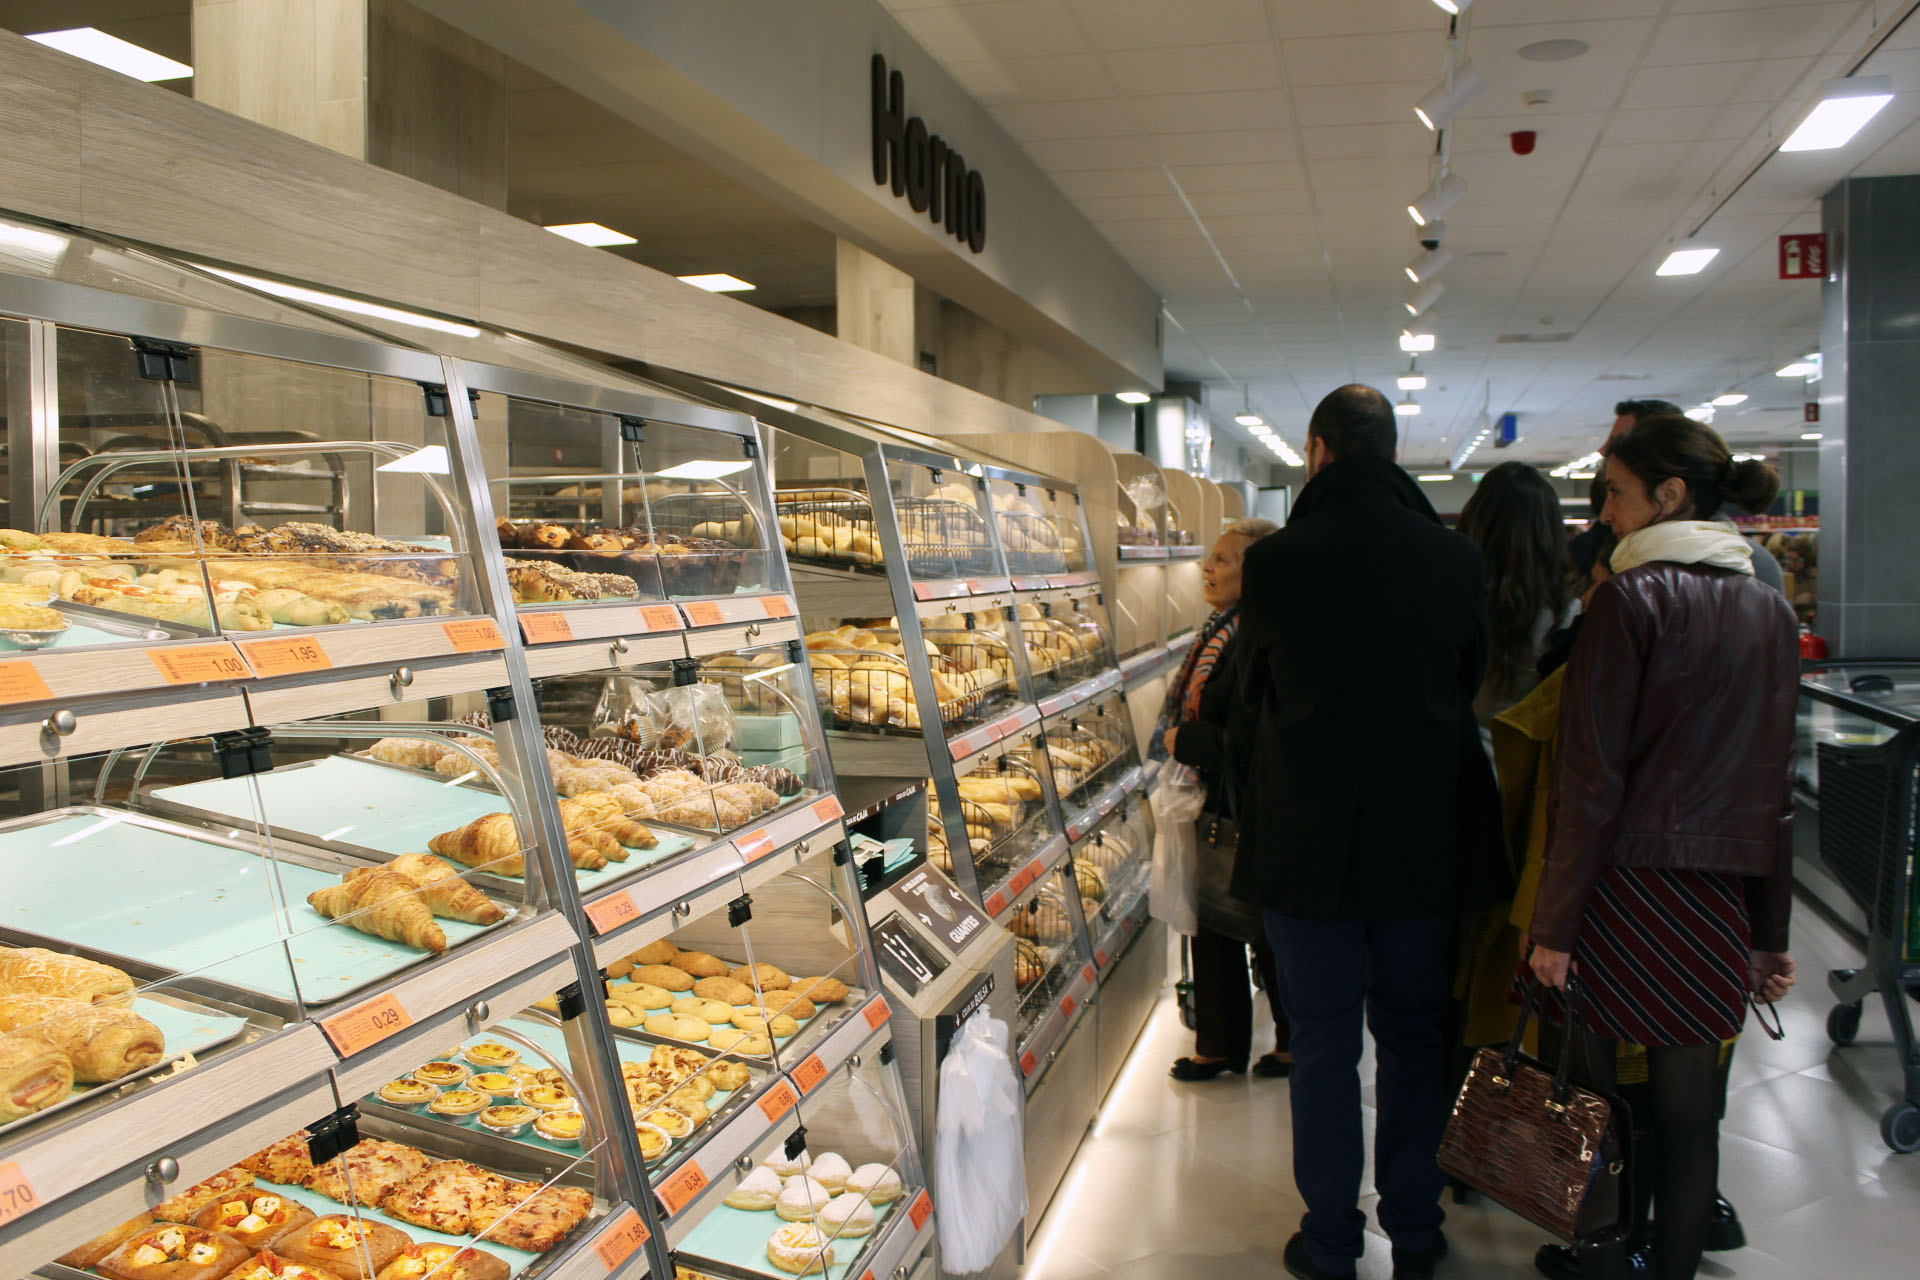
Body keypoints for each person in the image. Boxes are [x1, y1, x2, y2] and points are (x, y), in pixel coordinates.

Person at [1233, 385, 1506, 1280]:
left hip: (1308, 844)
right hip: (1423, 844)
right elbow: (1466, 683)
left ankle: (1331, 1239)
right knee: (1415, 1037)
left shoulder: (1277, 564)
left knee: (1320, 1043)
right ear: (1391, 453)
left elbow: (1255, 695)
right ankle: (1418, 1230)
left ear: (1316, 452)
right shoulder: (1453, 560)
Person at [1527, 413, 1799, 1280]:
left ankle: (1604, 1257)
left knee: (1599, 1104)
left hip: (1621, 891)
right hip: (1714, 897)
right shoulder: (1768, 609)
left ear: (1669, 496)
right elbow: (1774, 790)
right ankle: (1673, 1265)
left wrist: (1554, 927)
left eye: (1614, 493)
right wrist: (1769, 932)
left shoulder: (1629, 602)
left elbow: (1592, 782)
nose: (1604, 513)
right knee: (1691, 1119)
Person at [1155, 517, 1290, 1081]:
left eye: (1224, 560)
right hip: (1219, 796)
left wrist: (1186, 741)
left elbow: (1254, 730)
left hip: (1247, 800)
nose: (1208, 568)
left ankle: (1279, 1042)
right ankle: (1224, 1042)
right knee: (1220, 921)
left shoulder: (1259, 637)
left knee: (1249, 924)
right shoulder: (1221, 629)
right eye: (1209, 557)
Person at [1456, 461, 1581, 735]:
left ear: (1478, 517)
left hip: (1454, 754)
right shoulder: (1565, 609)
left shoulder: (1452, 595)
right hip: (1525, 758)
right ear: (1549, 530)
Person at [1784, 534, 1818, 626]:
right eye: (1788, 559)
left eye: (1796, 560)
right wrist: (1794, 601)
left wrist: (1813, 599)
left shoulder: (1817, 577)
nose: (1791, 564)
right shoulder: (1784, 576)